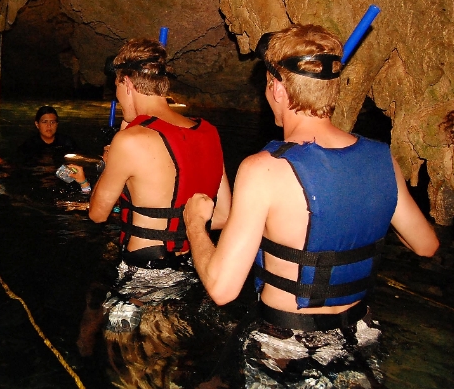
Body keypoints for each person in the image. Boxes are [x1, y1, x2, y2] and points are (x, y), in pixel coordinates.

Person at [183, 24, 440, 387]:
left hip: (285, 348)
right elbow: (426, 245)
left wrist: (195, 223)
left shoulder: (264, 169)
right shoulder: (382, 158)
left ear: (277, 88)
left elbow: (222, 289)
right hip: (358, 339)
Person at [70, 38, 231, 379]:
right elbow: (221, 217)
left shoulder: (130, 140)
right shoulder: (210, 133)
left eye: (117, 88)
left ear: (127, 83)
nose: (118, 97)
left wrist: (110, 161)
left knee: (132, 374)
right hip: (192, 271)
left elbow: (97, 214)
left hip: (142, 280)